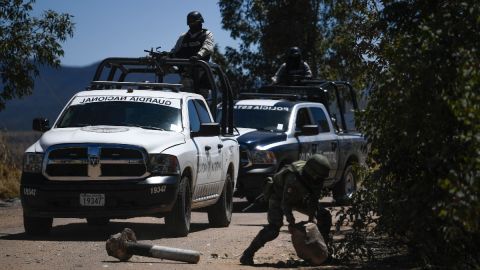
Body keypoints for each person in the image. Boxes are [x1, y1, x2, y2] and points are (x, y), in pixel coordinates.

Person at [239, 154, 332, 265]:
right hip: (278, 197)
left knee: (324, 216)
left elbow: (314, 199)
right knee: (273, 230)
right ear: (312, 172)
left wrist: (312, 220)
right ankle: (248, 254)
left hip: (299, 197)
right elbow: (286, 204)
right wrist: (291, 223)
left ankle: (322, 253)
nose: (319, 180)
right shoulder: (293, 178)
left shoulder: (317, 179)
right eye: (318, 176)